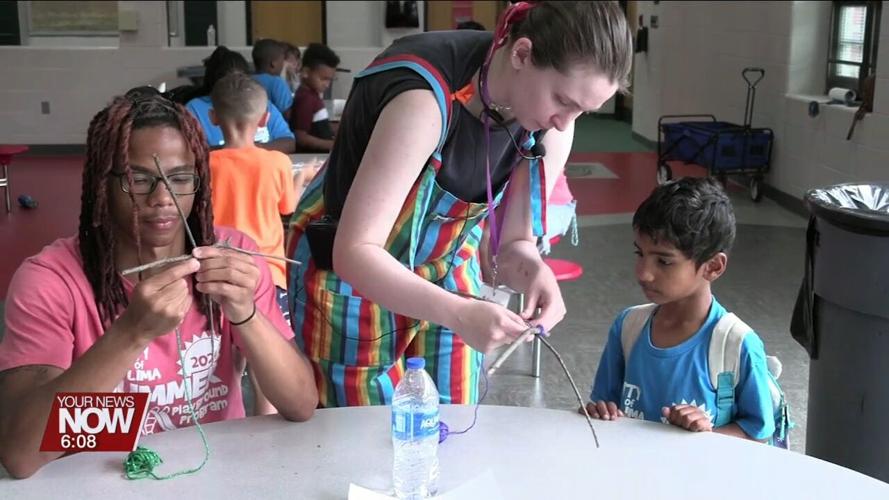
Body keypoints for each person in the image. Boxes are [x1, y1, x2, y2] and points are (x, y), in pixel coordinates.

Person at [286, 1, 633, 407]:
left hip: (448, 262)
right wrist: (458, 313)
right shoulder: (425, 102)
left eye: (583, 112)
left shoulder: (551, 128)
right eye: (562, 100)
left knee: (455, 413)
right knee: (369, 426)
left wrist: (534, 272)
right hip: (351, 268)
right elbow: (355, 252)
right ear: (521, 54)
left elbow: (512, 243)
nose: (565, 122)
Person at [0, 90, 318, 479]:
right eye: (139, 179)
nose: (163, 198)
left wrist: (244, 312)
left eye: (180, 178)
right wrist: (131, 333)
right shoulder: (52, 281)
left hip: (218, 476)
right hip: (101, 482)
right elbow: (21, 454)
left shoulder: (234, 256)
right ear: (103, 182)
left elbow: (300, 404)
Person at [585, 177, 779, 442]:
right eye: (640, 254)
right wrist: (600, 412)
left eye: (664, 261)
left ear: (713, 267)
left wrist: (706, 435)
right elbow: (603, 406)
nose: (643, 273)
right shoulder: (628, 327)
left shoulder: (737, 344)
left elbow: (758, 434)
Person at [208, 72, 310, 325]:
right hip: (268, 273)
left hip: (216, 273)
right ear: (265, 119)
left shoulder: (205, 165)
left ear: (213, 117)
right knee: (269, 341)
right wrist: (302, 177)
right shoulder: (277, 162)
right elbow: (288, 207)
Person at [185, 46, 295, 153]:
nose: (235, 86)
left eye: (240, 81)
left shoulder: (259, 103)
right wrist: (234, 150)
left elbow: (288, 142)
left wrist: (252, 149)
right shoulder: (194, 109)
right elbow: (188, 151)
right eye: (227, 82)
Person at [290, 43, 341, 153]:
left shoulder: (312, 95)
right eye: (323, 79)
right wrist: (332, 145)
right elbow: (300, 137)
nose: (327, 85)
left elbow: (317, 126)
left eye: (330, 80)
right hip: (312, 156)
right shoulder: (306, 99)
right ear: (306, 72)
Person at [252, 39, 294, 120]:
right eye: (282, 61)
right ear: (273, 64)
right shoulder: (277, 83)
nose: (283, 64)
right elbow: (287, 114)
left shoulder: (247, 81)